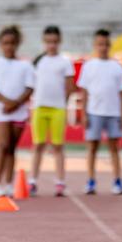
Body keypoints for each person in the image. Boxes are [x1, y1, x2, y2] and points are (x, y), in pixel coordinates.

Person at [77, 29, 122, 195]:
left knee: (114, 148)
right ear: (95, 45)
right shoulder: (89, 66)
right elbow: (84, 92)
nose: (103, 47)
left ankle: (117, 180)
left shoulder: (117, 67)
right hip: (94, 111)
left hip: (113, 112)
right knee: (92, 147)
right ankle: (91, 180)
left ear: (110, 46)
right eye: (100, 44)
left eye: (106, 44)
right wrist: (84, 114)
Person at [0, 25, 35, 197]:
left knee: (11, 148)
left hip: (18, 112)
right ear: (0, 44)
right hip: (0, 111)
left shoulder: (25, 66)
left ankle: (8, 183)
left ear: (17, 44)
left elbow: (29, 88)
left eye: (12, 43)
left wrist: (16, 103)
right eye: (5, 43)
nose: (9, 46)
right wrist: (7, 102)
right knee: (2, 146)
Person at [28, 25, 75, 196]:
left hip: (57, 109)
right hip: (40, 107)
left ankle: (60, 181)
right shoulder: (38, 61)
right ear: (44, 42)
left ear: (59, 42)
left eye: (55, 42)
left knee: (58, 146)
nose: (52, 45)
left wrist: (63, 102)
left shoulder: (65, 62)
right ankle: (32, 180)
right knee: (38, 144)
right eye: (48, 42)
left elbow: (70, 86)